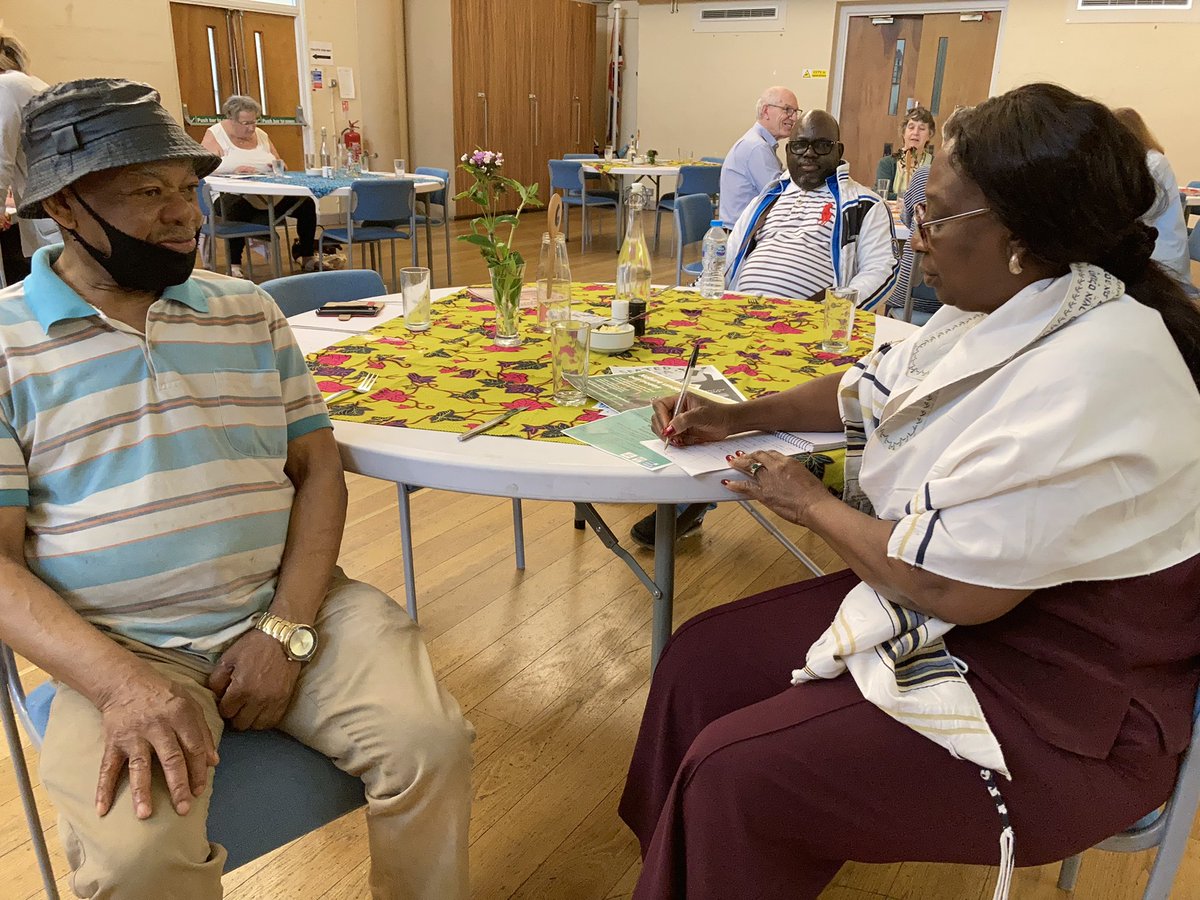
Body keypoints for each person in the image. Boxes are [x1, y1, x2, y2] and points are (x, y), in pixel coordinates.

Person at [619, 82, 1200, 900]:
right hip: (993, 611)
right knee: (699, 664)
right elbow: (875, 384)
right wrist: (735, 417)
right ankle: (685, 869)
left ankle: (711, 846)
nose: (913, 236)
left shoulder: (1099, 364)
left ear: (1022, 237)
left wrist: (809, 502)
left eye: (936, 217)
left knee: (734, 774)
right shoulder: (1017, 299)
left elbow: (951, 587)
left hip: (1069, 702)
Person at [0, 78, 473, 899]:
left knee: (432, 745)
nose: (185, 214)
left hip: (299, 607)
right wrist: (120, 685)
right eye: (147, 192)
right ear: (66, 206)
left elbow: (317, 468)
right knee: (136, 865)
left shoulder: (246, 309)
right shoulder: (7, 345)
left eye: (188, 187)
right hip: (120, 644)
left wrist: (286, 628)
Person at [725, 110, 898, 308]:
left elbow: (881, 270)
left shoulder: (864, 204)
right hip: (739, 314)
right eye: (799, 146)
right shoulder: (767, 199)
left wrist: (834, 312)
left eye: (822, 145)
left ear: (839, 152)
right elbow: (727, 260)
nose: (809, 153)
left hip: (806, 324)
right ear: (788, 151)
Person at [200, 94, 322, 278]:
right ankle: (234, 264)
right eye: (246, 123)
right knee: (235, 206)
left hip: (267, 195)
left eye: (254, 122)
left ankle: (306, 256)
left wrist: (275, 166)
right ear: (231, 120)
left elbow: (281, 164)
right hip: (229, 195)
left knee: (306, 204)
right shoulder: (215, 134)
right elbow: (204, 165)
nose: (251, 128)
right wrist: (234, 169)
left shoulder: (261, 135)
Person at [1112, 107, 1195, 293]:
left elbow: (1145, 209)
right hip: (1146, 246)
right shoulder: (1132, 162)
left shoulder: (1153, 161)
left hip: (1162, 253)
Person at [0, 26, 59, 283]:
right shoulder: (27, 82)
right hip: (58, 213)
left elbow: (1, 159)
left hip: (53, 217)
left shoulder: (6, 86)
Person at [717, 86, 798, 227]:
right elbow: (782, 199)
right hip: (744, 238)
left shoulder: (758, 143)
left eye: (796, 112)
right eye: (788, 110)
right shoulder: (757, 147)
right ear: (766, 111)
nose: (794, 118)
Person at [883, 164, 941, 324]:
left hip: (909, 301)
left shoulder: (928, 173)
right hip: (966, 312)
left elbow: (908, 220)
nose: (919, 243)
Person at [875, 106, 935, 200]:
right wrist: (915, 198)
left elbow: (936, 198)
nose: (915, 132)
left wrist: (899, 196)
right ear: (903, 133)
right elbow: (881, 194)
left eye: (922, 129)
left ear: (929, 135)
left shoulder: (935, 164)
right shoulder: (887, 163)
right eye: (911, 127)